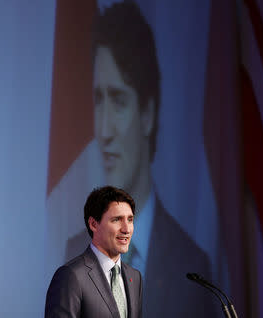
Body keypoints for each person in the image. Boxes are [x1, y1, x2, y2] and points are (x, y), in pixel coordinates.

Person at [65, 2, 217, 317]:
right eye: (98, 100)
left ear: (147, 114)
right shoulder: (76, 254)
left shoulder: (193, 267)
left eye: (118, 101)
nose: (104, 130)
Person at [45, 186, 142, 318]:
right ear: (93, 224)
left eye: (130, 220)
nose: (126, 229)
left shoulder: (135, 277)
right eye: (117, 219)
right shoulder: (71, 276)